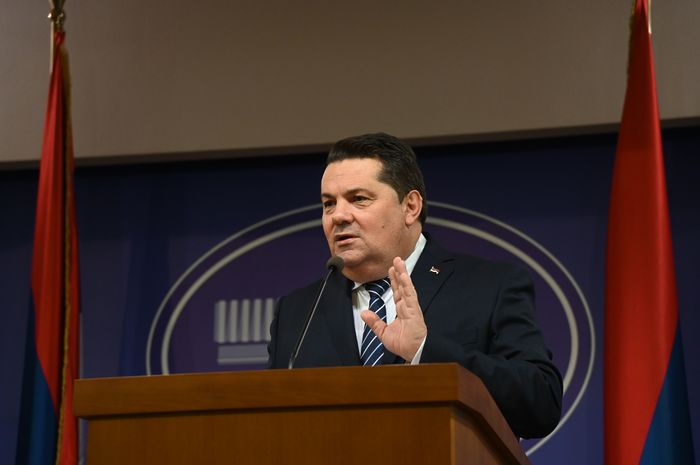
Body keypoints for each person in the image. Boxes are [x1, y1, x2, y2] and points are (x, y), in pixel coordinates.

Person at [267, 132, 563, 439]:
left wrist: (424, 349)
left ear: (410, 206)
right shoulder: (297, 312)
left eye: (359, 199)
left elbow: (541, 403)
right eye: (329, 204)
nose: (338, 216)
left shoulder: (490, 286)